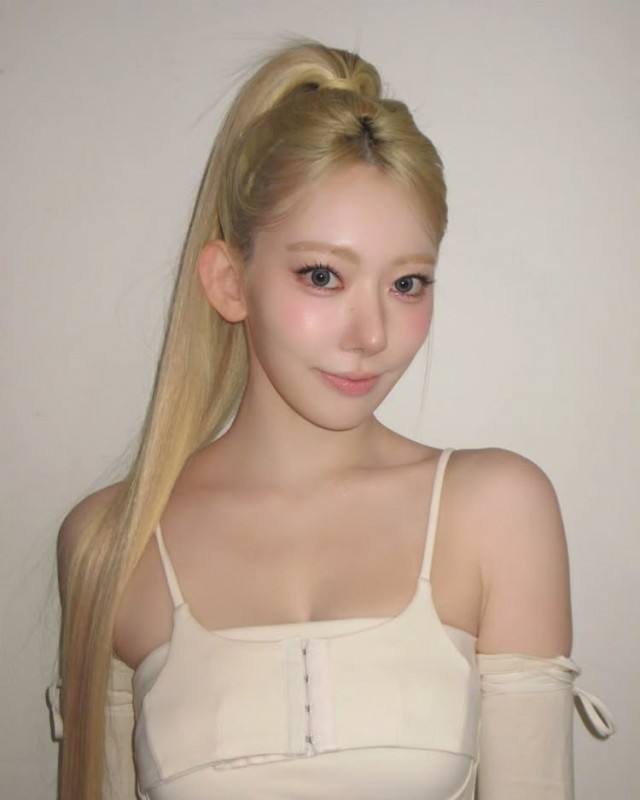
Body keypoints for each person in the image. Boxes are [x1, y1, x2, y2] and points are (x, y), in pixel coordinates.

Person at [50, 40, 614, 800]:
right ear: (228, 281)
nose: (372, 335)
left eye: (407, 283)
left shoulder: (497, 511)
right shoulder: (109, 544)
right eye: (323, 276)